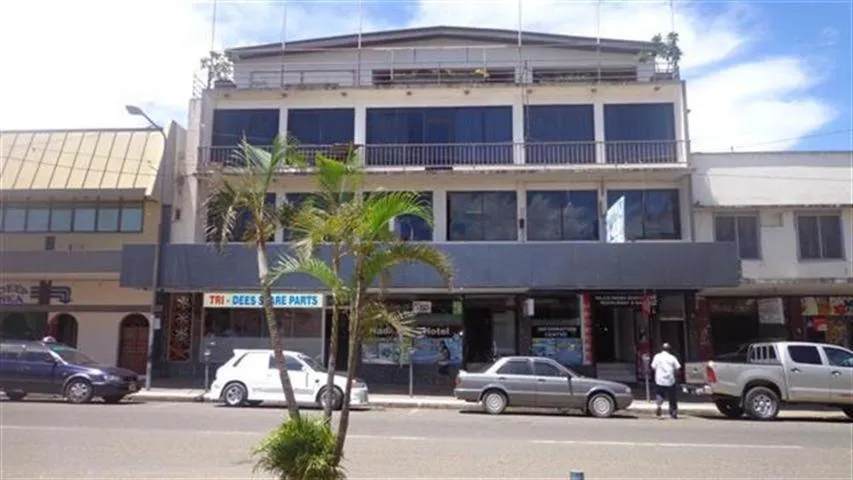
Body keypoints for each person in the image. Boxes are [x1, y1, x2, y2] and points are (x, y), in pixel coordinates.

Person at [650, 342, 681, 419]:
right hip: (670, 380)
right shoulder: (672, 357)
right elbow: (677, 368)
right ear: (669, 349)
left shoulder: (657, 356)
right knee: (672, 398)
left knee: (659, 394)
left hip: (659, 380)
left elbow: (653, 367)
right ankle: (673, 413)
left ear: (662, 349)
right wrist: (675, 374)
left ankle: (659, 405)